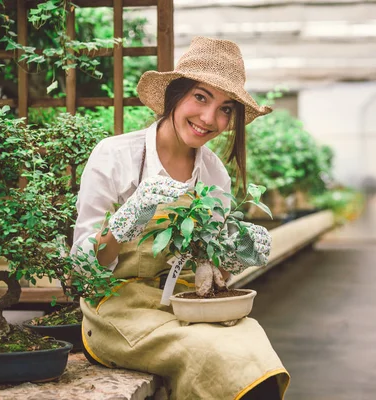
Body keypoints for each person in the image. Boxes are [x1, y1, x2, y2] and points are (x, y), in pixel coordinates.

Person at [72, 36, 290, 399]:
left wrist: (233, 255)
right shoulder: (115, 157)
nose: (210, 119)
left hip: (186, 305)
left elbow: (212, 268)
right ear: (175, 95)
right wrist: (126, 222)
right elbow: (81, 271)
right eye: (200, 97)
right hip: (118, 310)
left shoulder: (213, 172)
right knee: (214, 355)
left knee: (256, 354)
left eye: (226, 108)